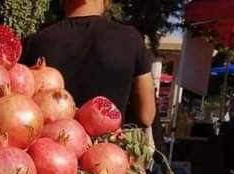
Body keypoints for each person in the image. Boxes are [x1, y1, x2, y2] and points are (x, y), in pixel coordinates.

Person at [21, 0, 156, 127]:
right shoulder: (130, 39)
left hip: (50, 146)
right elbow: (146, 116)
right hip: (109, 148)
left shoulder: (35, 42)